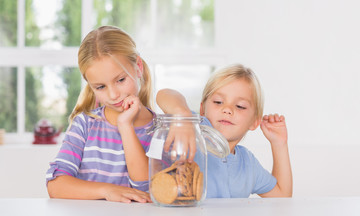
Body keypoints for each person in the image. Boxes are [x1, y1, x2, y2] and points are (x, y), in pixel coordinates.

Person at [46, 26, 154, 203]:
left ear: (138, 67)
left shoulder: (159, 129)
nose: (113, 95)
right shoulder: (85, 124)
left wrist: (125, 126)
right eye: (100, 87)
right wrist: (107, 191)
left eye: (120, 80)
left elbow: (145, 188)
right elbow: (55, 184)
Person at [156, 64, 293, 198]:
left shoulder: (248, 164)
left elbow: (282, 196)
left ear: (254, 122)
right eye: (218, 102)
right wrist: (182, 115)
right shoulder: (191, 130)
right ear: (203, 110)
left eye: (240, 106)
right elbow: (164, 94)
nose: (227, 109)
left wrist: (279, 144)